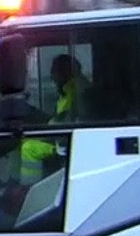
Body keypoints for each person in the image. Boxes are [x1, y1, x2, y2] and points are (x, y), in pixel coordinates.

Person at [18, 54, 88, 184]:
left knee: (28, 148)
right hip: (60, 136)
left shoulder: (76, 90)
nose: (51, 77)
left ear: (65, 71)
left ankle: (28, 187)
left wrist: (45, 130)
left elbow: (66, 121)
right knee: (23, 139)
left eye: (54, 72)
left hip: (64, 143)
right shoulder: (68, 89)